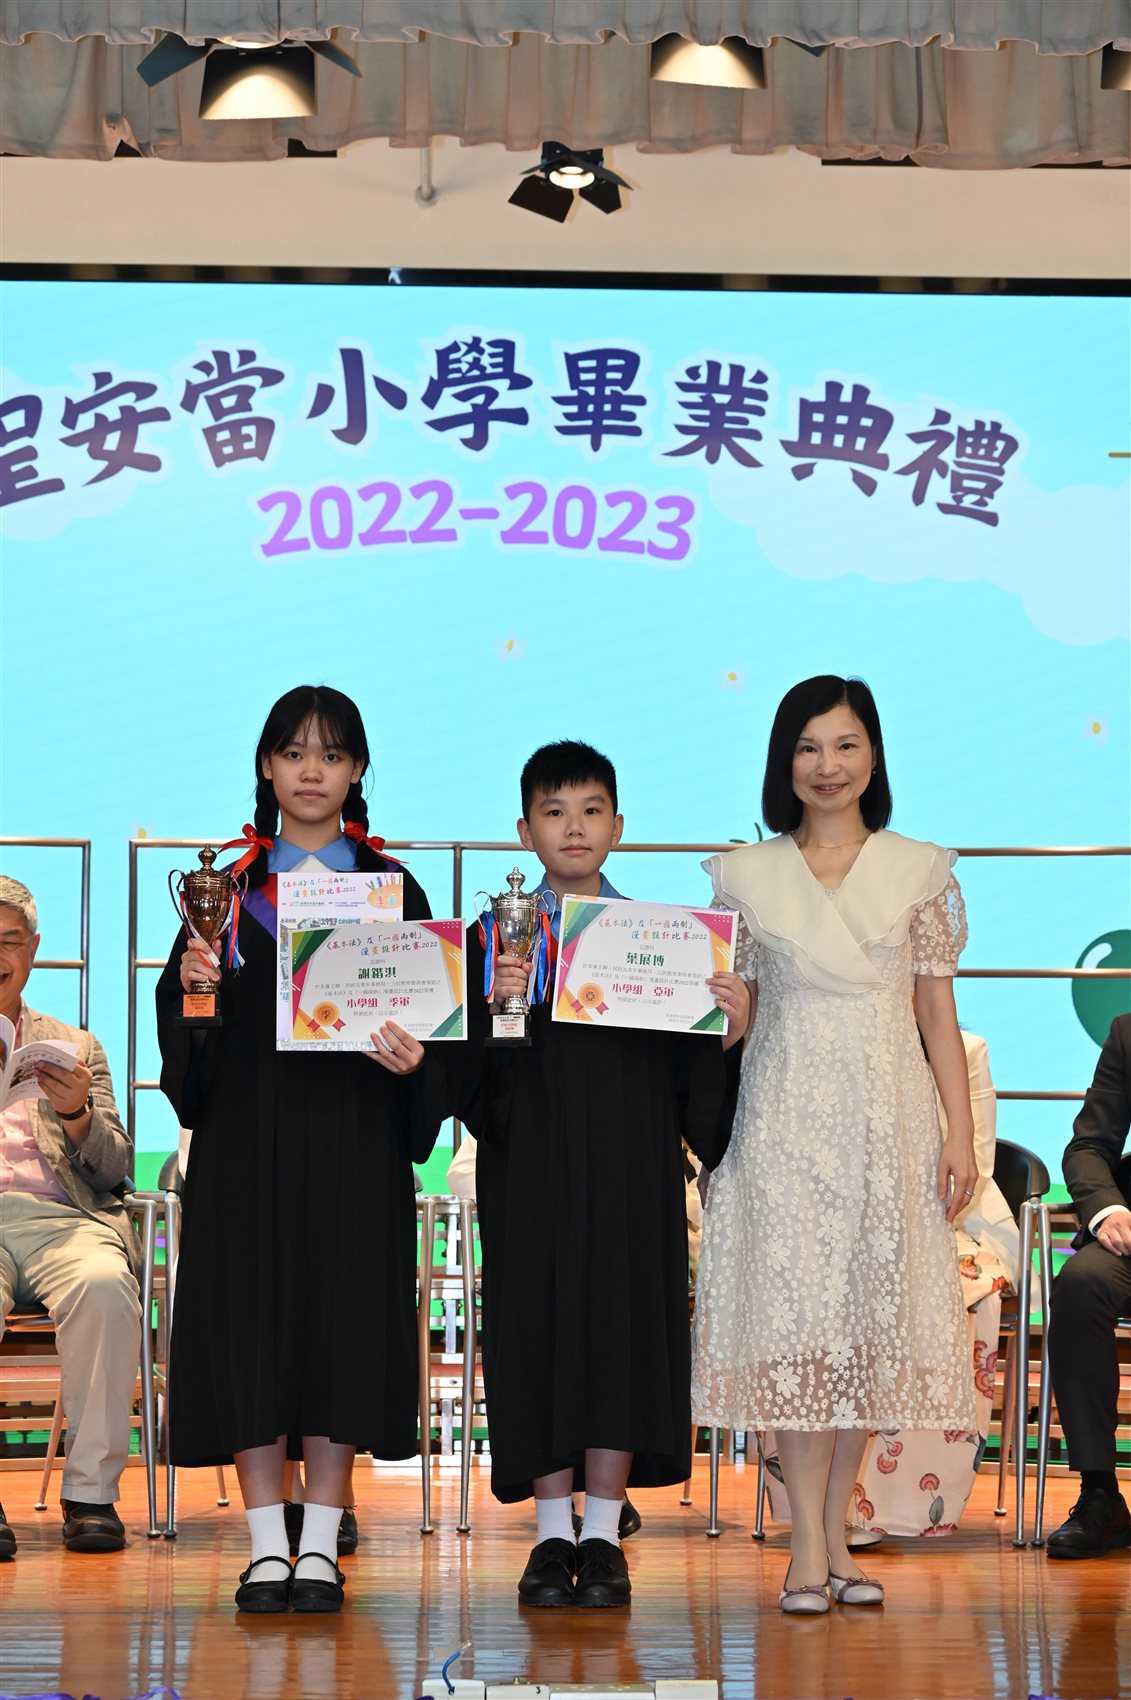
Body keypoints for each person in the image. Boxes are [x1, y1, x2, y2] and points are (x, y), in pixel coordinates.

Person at [692, 675, 978, 1615]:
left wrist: (959, 1132)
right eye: (807, 747)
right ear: (784, 762)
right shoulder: (745, 876)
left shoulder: (918, 869)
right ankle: (808, 1546)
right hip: (781, 1115)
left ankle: (835, 1536)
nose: (827, 765)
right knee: (795, 1329)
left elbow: (934, 1014)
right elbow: (729, 1022)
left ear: (872, 755)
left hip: (884, 1118)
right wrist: (728, 1019)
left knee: (863, 1327)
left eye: (845, 745)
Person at [156, 686, 438, 1614]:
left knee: (340, 1328)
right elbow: (187, 1034)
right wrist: (196, 986)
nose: (311, 770)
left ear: (357, 771)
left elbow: (431, 1015)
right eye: (293, 752)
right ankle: (264, 1548)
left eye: (331, 753)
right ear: (266, 767)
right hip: (247, 1140)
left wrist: (418, 1060)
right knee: (252, 1330)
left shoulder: (393, 890)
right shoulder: (225, 890)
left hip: (354, 1137)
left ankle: (320, 1545)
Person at [444, 740, 744, 1608]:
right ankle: (549, 1536)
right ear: (523, 830)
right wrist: (495, 1007)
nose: (572, 828)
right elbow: (465, 1081)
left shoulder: (662, 942)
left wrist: (726, 1032)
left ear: (618, 825)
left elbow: (693, 1086)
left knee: (621, 1336)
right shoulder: (495, 936)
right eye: (553, 811)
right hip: (528, 1170)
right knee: (533, 1333)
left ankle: (604, 1534)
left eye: (589, 810)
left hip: (630, 1170)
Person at [0, 875, 141, 1556]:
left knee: (107, 1287)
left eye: (9, 940)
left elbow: (115, 1167)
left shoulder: (75, 1045)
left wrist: (77, 1111)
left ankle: (91, 1495)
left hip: (64, 1219)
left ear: (33, 950)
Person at [1046, 1012, 1131, 1558]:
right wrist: (1108, 1210)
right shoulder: (1128, 1032)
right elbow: (1089, 1146)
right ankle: (1100, 1493)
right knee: (1081, 1281)